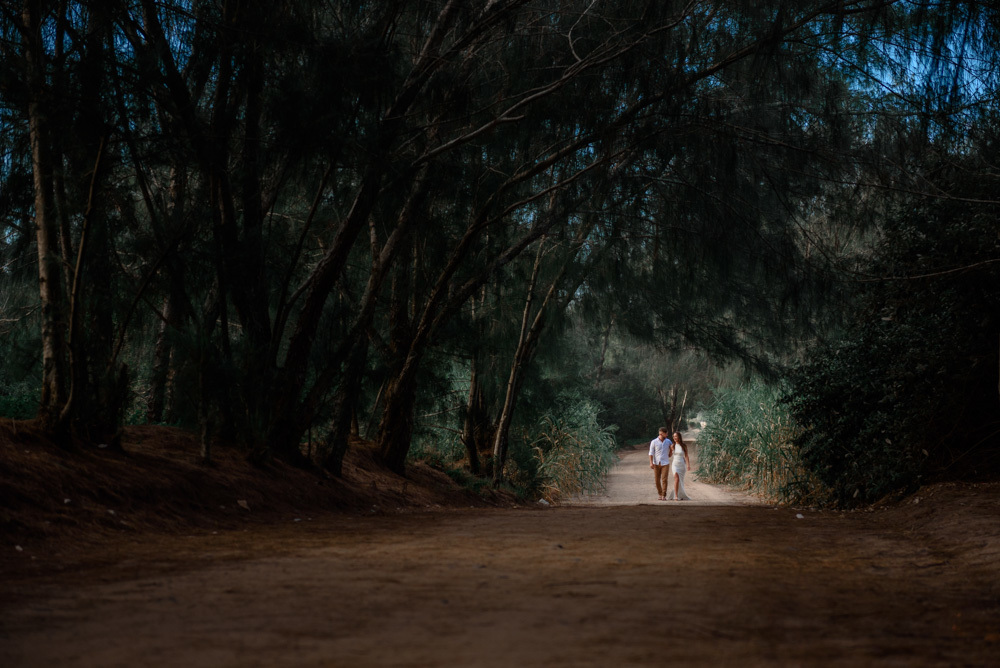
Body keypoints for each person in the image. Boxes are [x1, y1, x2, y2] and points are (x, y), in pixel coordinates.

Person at [648, 427, 673, 501]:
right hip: (656, 463)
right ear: (661, 433)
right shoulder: (654, 442)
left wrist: (670, 453)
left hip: (665, 463)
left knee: (664, 479)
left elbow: (672, 447)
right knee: (657, 480)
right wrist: (651, 463)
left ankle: (663, 495)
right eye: (666, 433)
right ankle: (660, 493)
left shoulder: (668, 441)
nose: (667, 435)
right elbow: (651, 453)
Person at [667, 431, 691, 500]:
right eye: (673, 436)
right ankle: (676, 496)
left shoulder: (683, 446)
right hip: (675, 464)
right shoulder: (672, 446)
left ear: (679, 437)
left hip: (682, 465)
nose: (674, 438)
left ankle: (680, 494)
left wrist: (688, 465)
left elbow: (686, 456)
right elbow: (669, 455)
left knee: (680, 480)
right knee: (676, 479)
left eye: (676, 436)